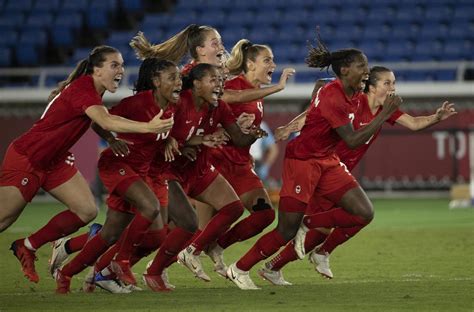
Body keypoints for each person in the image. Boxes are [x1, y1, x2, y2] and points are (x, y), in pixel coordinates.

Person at [226, 34, 403, 290]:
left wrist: (296, 121)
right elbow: (352, 140)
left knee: (364, 212)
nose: (367, 71)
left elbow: (321, 82)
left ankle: (308, 226)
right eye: (361, 67)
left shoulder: (347, 88)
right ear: (345, 70)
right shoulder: (334, 96)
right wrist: (384, 114)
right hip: (303, 161)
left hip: (327, 160)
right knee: (286, 229)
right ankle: (239, 268)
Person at [259, 67, 457, 285]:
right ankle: (284, 261)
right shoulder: (355, 101)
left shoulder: (385, 110)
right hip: (322, 170)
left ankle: (297, 258)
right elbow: (317, 112)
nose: (393, 88)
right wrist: (289, 127)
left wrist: (437, 117)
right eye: (387, 83)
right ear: (371, 87)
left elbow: (414, 123)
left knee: (353, 218)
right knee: (331, 226)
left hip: (338, 174)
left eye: (393, 83)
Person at [0, 45, 173, 285]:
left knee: (86, 211)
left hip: (55, 161)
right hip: (29, 157)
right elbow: (104, 119)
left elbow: (97, 120)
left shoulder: (93, 91)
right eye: (114, 65)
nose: (121, 70)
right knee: (4, 220)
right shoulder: (83, 88)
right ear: (97, 69)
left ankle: (27, 245)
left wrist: (110, 139)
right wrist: (148, 127)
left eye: (122, 65)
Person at [54, 58, 179, 294]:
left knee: (110, 233)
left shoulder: (172, 108)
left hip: (138, 172)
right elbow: (99, 120)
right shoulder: (137, 103)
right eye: (172, 78)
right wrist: (111, 139)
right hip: (117, 165)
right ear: (156, 81)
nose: (178, 82)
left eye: (179, 78)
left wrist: (170, 139)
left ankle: (66, 273)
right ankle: (120, 261)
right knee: (150, 206)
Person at [142, 63, 266, 289]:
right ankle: (117, 264)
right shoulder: (179, 103)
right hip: (167, 170)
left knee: (233, 208)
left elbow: (238, 138)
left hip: (197, 169)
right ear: (196, 84)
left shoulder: (218, 106)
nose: (220, 85)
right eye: (214, 80)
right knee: (162, 231)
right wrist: (184, 142)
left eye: (221, 80)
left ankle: (186, 254)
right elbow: (156, 136)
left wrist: (253, 134)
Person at [196, 39, 293, 277]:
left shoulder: (257, 97)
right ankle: (151, 266)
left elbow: (241, 134)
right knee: (193, 230)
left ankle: (217, 247)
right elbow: (217, 117)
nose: (273, 64)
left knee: (265, 215)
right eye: (267, 60)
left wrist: (247, 147)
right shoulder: (233, 86)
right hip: (216, 163)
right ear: (250, 64)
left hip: (239, 164)